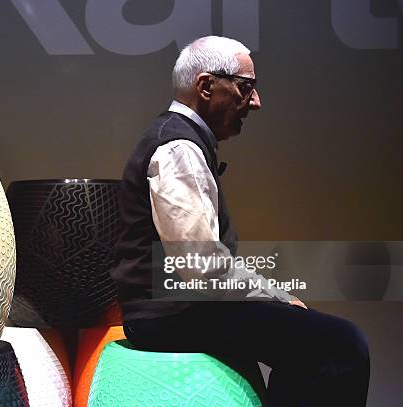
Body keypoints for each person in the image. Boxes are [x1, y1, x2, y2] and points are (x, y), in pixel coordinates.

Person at [110, 36, 370, 406]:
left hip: (180, 309)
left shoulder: (182, 142)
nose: (256, 102)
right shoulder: (178, 148)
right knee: (340, 344)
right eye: (246, 88)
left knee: (314, 342)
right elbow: (200, 267)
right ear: (205, 86)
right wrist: (278, 297)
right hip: (169, 316)